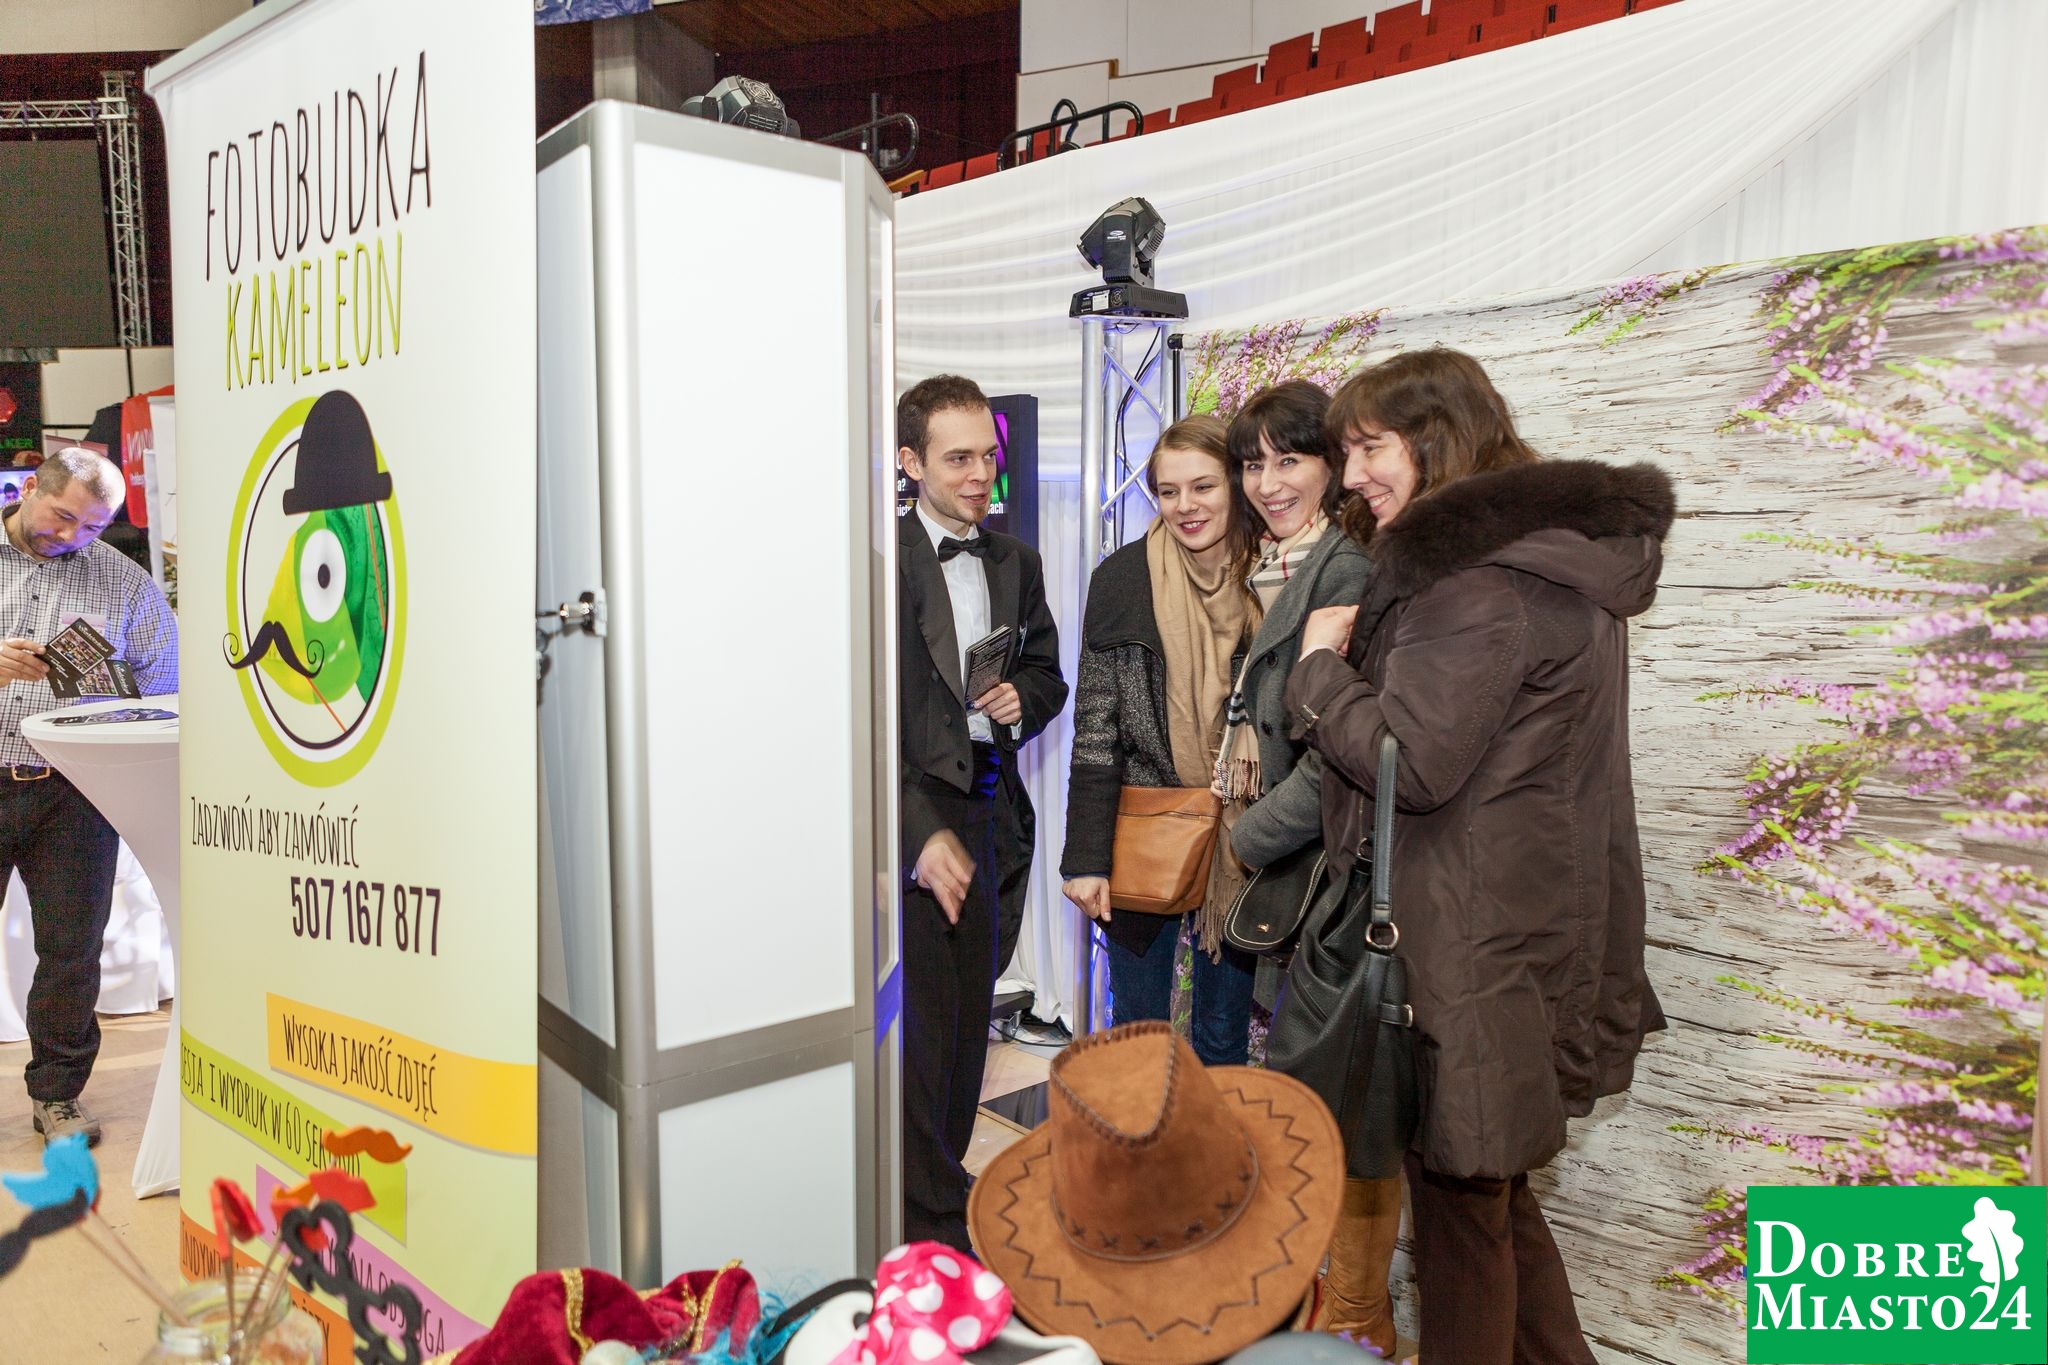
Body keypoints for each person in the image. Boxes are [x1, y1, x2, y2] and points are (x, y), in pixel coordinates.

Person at [1287, 350, 1671, 1365]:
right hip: (1511, 928)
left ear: (1436, 438)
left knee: (1464, 1224)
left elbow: (1409, 763)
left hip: (1461, 944)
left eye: (1369, 447)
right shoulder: (1545, 566)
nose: (1352, 475)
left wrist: (1318, 671)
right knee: (1487, 1202)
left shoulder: (1476, 588)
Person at [1215, 382, 1388, 1352]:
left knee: (1335, 1112)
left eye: (1291, 459)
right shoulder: (1273, 569)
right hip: (1292, 867)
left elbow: (1335, 753)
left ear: (1333, 469)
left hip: (1318, 871)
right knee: (1296, 1104)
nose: (1268, 482)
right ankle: (1311, 1311)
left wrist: (1245, 841)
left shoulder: (1344, 569)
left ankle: (1349, 1323)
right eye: (1254, 462)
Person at [896, 374, 1067, 1250]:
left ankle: (943, 1174)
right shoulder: (877, 561)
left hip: (990, 809)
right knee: (919, 1029)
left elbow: (1048, 675)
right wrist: (916, 832)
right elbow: (855, 717)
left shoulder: (1016, 563)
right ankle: (922, 1212)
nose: (978, 476)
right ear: (910, 461)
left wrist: (1018, 698)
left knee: (971, 1020)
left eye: (987, 457)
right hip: (909, 814)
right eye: (957, 458)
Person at [1061, 416, 1262, 1066]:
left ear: (1235, 484)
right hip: (1146, 829)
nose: (1186, 506)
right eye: (1168, 491)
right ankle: (1143, 1138)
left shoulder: (1273, 577)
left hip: (1243, 837)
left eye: (1203, 486)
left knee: (1223, 1034)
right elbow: (1096, 729)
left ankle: (1214, 1136)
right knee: (1139, 1033)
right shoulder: (1123, 579)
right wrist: (1086, 859)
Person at [0, 447, 178, 1146]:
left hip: (74, 795)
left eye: (93, 527)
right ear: (29, 489)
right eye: (62, 515)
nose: (72, 535)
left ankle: (58, 1094)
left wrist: (115, 697)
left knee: (72, 951)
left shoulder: (124, 582)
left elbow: (166, 684)